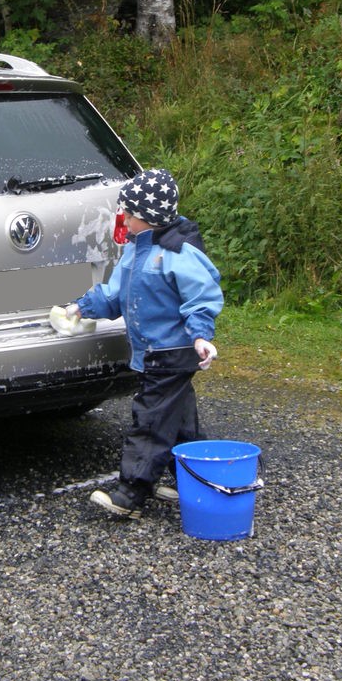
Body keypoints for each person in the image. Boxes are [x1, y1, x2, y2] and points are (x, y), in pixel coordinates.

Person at [67, 168, 223, 519]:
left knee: (150, 420)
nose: (124, 219)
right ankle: (193, 482)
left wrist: (200, 335)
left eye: (130, 214)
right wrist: (82, 306)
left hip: (172, 351)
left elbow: (202, 296)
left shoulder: (179, 253)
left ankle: (132, 493)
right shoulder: (136, 250)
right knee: (179, 419)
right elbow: (116, 293)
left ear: (149, 218)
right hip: (153, 352)